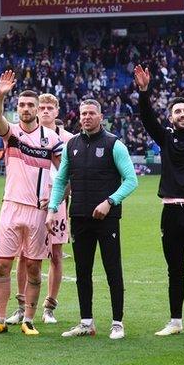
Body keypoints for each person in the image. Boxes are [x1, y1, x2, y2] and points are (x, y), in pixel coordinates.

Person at [0, 71, 63, 336]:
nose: (26, 109)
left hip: (38, 212)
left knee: (34, 267)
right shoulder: (11, 134)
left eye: (30, 105)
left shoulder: (51, 140)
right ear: (17, 109)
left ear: (38, 110)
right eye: (22, 105)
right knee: (2, 264)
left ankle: (28, 319)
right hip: (11, 207)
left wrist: (56, 200)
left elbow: (63, 175)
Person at [49, 99, 137, 339]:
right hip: (79, 216)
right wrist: (52, 207)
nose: (86, 117)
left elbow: (131, 180)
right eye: (83, 113)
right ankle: (86, 322)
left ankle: (117, 322)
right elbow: (60, 180)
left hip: (107, 219)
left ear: (100, 116)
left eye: (91, 113)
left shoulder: (114, 144)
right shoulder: (72, 145)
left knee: (112, 269)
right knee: (83, 271)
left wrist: (109, 202)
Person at [134, 66, 184, 337]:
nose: (182, 115)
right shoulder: (165, 138)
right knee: (174, 270)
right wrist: (144, 92)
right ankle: (175, 321)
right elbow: (146, 118)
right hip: (170, 212)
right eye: (177, 111)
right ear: (171, 117)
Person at [8, 94, 74, 326]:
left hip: (55, 204)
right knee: (23, 255)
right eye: (42, 107)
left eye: (50, 108)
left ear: (57, 111)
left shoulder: (67, 139)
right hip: (30, 203)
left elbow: (70, 177)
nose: (45, 111)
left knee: (56, 254)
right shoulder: (25, 134)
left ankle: (49, 307)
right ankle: (21, 306)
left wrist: (58, 200)